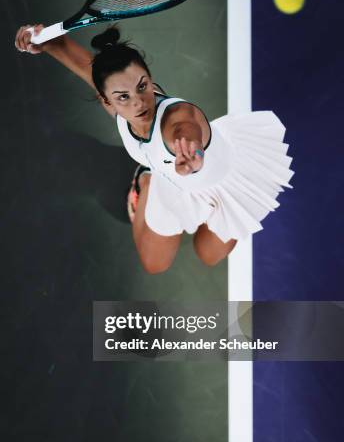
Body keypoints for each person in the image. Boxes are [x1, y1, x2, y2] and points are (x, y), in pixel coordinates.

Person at [15, 24, 294, 274]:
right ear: (106, 100)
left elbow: (188, 132)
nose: (138, 102)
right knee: (155, 264)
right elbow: (76, 58)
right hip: (171, 180)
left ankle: (215, 206)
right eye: (123, 96)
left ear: (150, 78)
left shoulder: (178, 119)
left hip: (226, 179)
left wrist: (195, 158)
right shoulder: (115, 102)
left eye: (142, 86)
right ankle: (145, 180)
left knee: (209, 256)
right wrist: (45, 41)